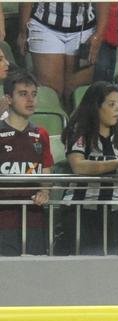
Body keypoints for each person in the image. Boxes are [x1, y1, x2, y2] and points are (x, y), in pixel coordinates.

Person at [62, 81, 118, 256]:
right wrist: (117, 163)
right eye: (111, 104)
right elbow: (78, 166)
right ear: (96, 106)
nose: (117, 109)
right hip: (82, 211)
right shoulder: (79, 131)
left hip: (116, 211)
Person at [0, 72, 54, 257]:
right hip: (3, 221)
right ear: (8, 98)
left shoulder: (42, 134)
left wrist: (45, 191)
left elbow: (46, 171)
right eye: (23, 94)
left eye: (34, 93)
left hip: (33, 220)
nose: (30, 99)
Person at [16, 2, 95, 105]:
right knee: (51, 92)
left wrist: (99, 34)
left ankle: (74, 120)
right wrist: (23, 32)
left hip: (85, 27)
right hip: (45, 24)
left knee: (76, 93)